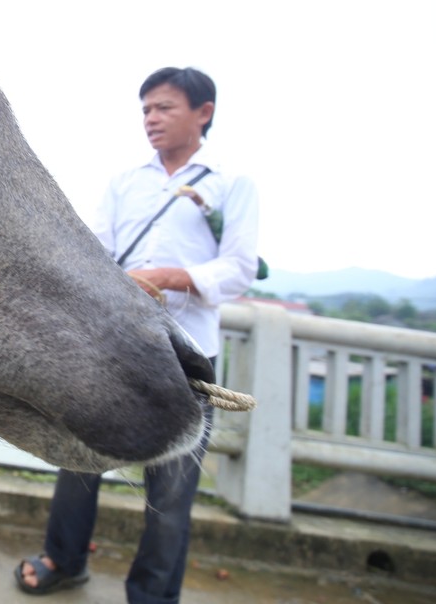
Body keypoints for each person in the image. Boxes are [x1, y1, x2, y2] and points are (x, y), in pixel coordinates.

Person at [14, 66, 259, 602]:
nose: (150, 119)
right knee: (77, 464)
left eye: (164, 107)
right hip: (114, 348)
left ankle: (152, 595)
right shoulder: (126, 182)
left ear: (204, 113)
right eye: (146, 109)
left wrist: (171, 279)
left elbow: (239, 268)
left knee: (171, 496)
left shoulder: (230, 183)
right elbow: (96, 251)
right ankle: (65, 559)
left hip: (187, 358)